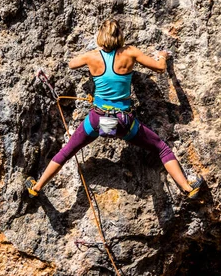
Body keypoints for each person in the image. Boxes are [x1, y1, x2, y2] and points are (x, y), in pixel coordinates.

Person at [25, 19, 203, 199]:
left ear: (100, 36)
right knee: (161, 148)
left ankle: (37, 187)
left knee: (67, 151)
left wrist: (94, 64)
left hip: (97, 120)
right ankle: (188, 188)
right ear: (120, 36)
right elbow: (159, 68)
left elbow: (71, 64)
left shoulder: (92, 56)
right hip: (122, 123)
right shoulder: (130, 53)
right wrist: (163, 55)